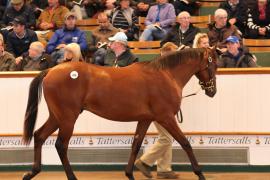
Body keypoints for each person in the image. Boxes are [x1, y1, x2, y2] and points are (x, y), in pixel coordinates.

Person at [135, 41, 179, 180]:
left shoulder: (165, 69)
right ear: (164, 54)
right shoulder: (158, 69)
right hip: (158, 109)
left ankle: (164, 169)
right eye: (171, 55)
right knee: (166, 137)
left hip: (160, 108)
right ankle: (144, 161)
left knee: (166, 136)